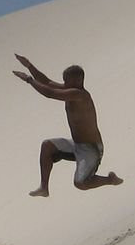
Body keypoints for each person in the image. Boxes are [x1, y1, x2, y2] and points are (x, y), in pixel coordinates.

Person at [12, 54, 123, 197]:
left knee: (80, 184)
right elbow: (46, 82)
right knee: (47, 145)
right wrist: (29, 65)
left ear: (78, 80)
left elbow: (50, 93)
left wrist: (29, 80)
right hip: (77, 144)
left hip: (91, 148)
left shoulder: (79, 94)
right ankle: (44, 188)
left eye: (67, 80)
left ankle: (109, 179)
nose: (64, 83)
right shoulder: (70, 90)